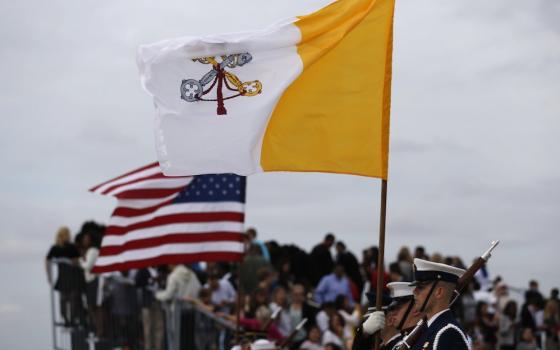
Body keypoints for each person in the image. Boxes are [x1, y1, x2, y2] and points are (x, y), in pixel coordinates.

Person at [408, 258, 469, 350]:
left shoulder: (448, 334)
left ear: (439, 292)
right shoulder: (424, 330)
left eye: (420, 287)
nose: (414, 291)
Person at [45, 226, 83, 326]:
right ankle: (67, 319)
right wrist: (49, 276)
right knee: (65, 300)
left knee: (71, 300)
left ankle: (72, 319)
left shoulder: (71, 247)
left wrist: (49, 275)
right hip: (64, 278)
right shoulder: (55, 248)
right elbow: (47, 260)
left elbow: (78, 260)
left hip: (72, 277)